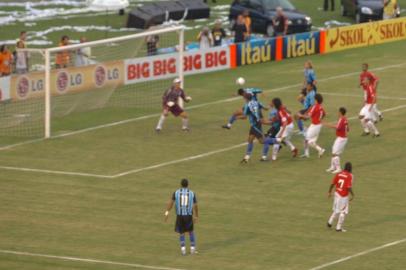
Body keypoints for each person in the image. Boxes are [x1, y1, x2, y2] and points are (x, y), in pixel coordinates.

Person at [164, 178, 199, 255]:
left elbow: (171, 202)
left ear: (181, 185)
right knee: (191, 231)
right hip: (188, 215)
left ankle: (183, 250)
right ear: (188, 185)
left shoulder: (176, 192)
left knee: (181, 232)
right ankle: (192, 249)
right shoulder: (191, 193)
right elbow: (195, 205)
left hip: (179, 216)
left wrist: (167, 212)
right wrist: (196, 216)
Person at [327, 162, 354, 232]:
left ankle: (330, 222)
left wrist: (329, 192)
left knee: (337, 209)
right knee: (343, 211)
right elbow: (348, 187)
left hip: (337, 193)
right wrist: (352, 194)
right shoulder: (349, 176)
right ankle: (338, 227)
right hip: (343, 195)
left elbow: (333, 183)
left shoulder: (339, 174)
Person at [240, 93, 267, 163]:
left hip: (256, 125)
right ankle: (247, 157)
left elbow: (244, 117)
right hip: (255, 124)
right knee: (250, 139)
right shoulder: (257, 102)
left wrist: (237, 117)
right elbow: (265, 108)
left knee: (262, 141)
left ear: (246, 98)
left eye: (244, 98)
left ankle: (277, 141)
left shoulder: (247, 105)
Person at [299, 93, 326, 158]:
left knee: (308, 141)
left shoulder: (315, 106)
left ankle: (320, 150)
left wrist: (300, 115)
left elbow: (308, 116)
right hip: (318, 125)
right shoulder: (321, 107)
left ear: (316, 100)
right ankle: (306, 154)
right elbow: (324, 114)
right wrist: (318, 118)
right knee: (310, 140)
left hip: (314, 126)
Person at [324, 107, 349, 174]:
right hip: (342, 137)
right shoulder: (345, 119)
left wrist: (327, 125)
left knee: (335, 153)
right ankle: (333, 167)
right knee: (333, 151)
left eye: (338, 112)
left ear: (340, 112)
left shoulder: (342, 119)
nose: (337, 113)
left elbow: (337, 127)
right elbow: (348, 129)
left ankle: (338, 168)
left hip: (341, 138)